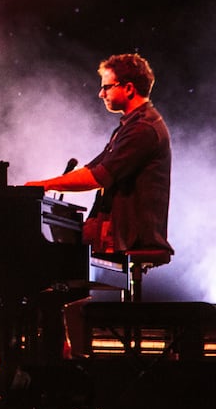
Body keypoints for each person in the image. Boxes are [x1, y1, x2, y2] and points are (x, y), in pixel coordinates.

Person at [24, 52, 173, 261]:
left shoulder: (143, 129)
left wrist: (44, 186)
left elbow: (98, 177)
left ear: (128, 88)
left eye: (106, 87)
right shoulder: (129, 127)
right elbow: (92, 168)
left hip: (131, 236)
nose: (101, 94)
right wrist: (45, 184)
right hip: (120, 232)